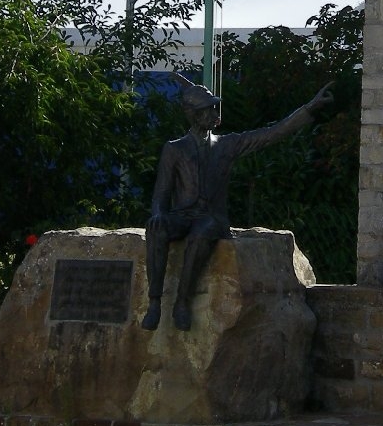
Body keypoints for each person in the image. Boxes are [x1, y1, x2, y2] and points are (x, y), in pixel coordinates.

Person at [141, 75, 334, 332]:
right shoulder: (174, 149)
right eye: (208, 108)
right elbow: (161, 194)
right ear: (193, 115)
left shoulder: (227, 145)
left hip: (211, 219)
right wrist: (157, 215)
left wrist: (309, 108)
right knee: (157, 227)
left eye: (213, 107)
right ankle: (154, 302)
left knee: (201, 234)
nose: (214, 112)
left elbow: (271, 133)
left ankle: (182, 302)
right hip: (182, 215)